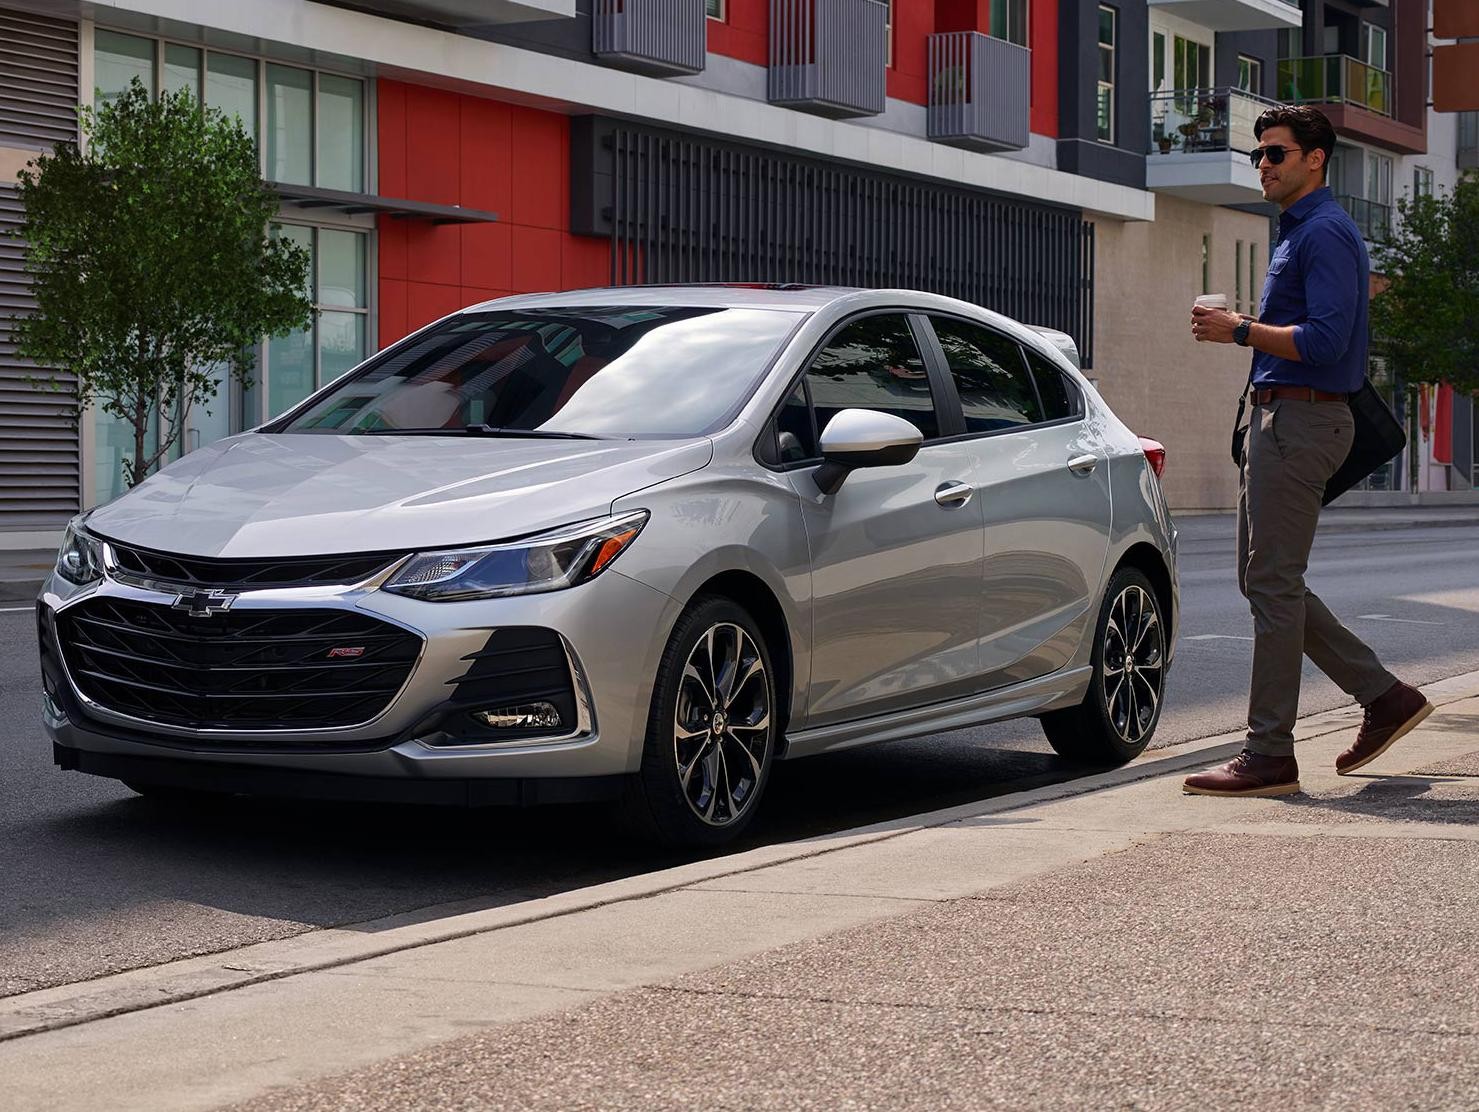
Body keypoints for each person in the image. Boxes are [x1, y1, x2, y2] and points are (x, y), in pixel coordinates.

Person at [1182, 104, 1431, 798]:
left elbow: (1323, 341)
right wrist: (1245, 334)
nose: (1261, 165)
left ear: (1314, 158)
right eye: (1258, 154)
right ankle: (1383, 697)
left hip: (1303, 422)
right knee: (1263, 580)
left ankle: (1268, 754)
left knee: (1271, 584)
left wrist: (1239, 331)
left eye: (1275, 153)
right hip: (1278, 421)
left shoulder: (1324, 233)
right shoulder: (1296, 231)